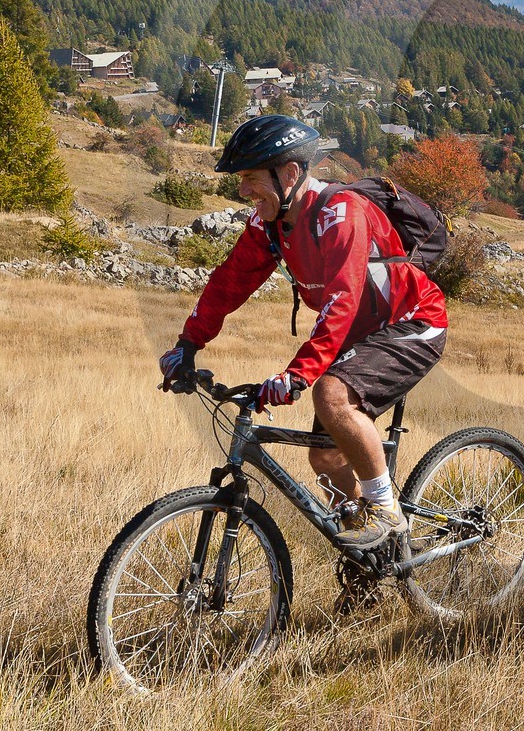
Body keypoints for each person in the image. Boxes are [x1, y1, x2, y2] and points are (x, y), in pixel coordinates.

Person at [157, 115, 449, 549]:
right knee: (326, 456)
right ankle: (375, 556)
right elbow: (228, 282)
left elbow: (342, 299)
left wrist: (298, 375)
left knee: (330, 395)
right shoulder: (269, 225)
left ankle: (388, 514)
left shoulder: (341, 212)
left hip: (411, 323)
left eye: (251, 179)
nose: (242, 191)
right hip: (358, 333)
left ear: (290, 173)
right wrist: (188, 343)